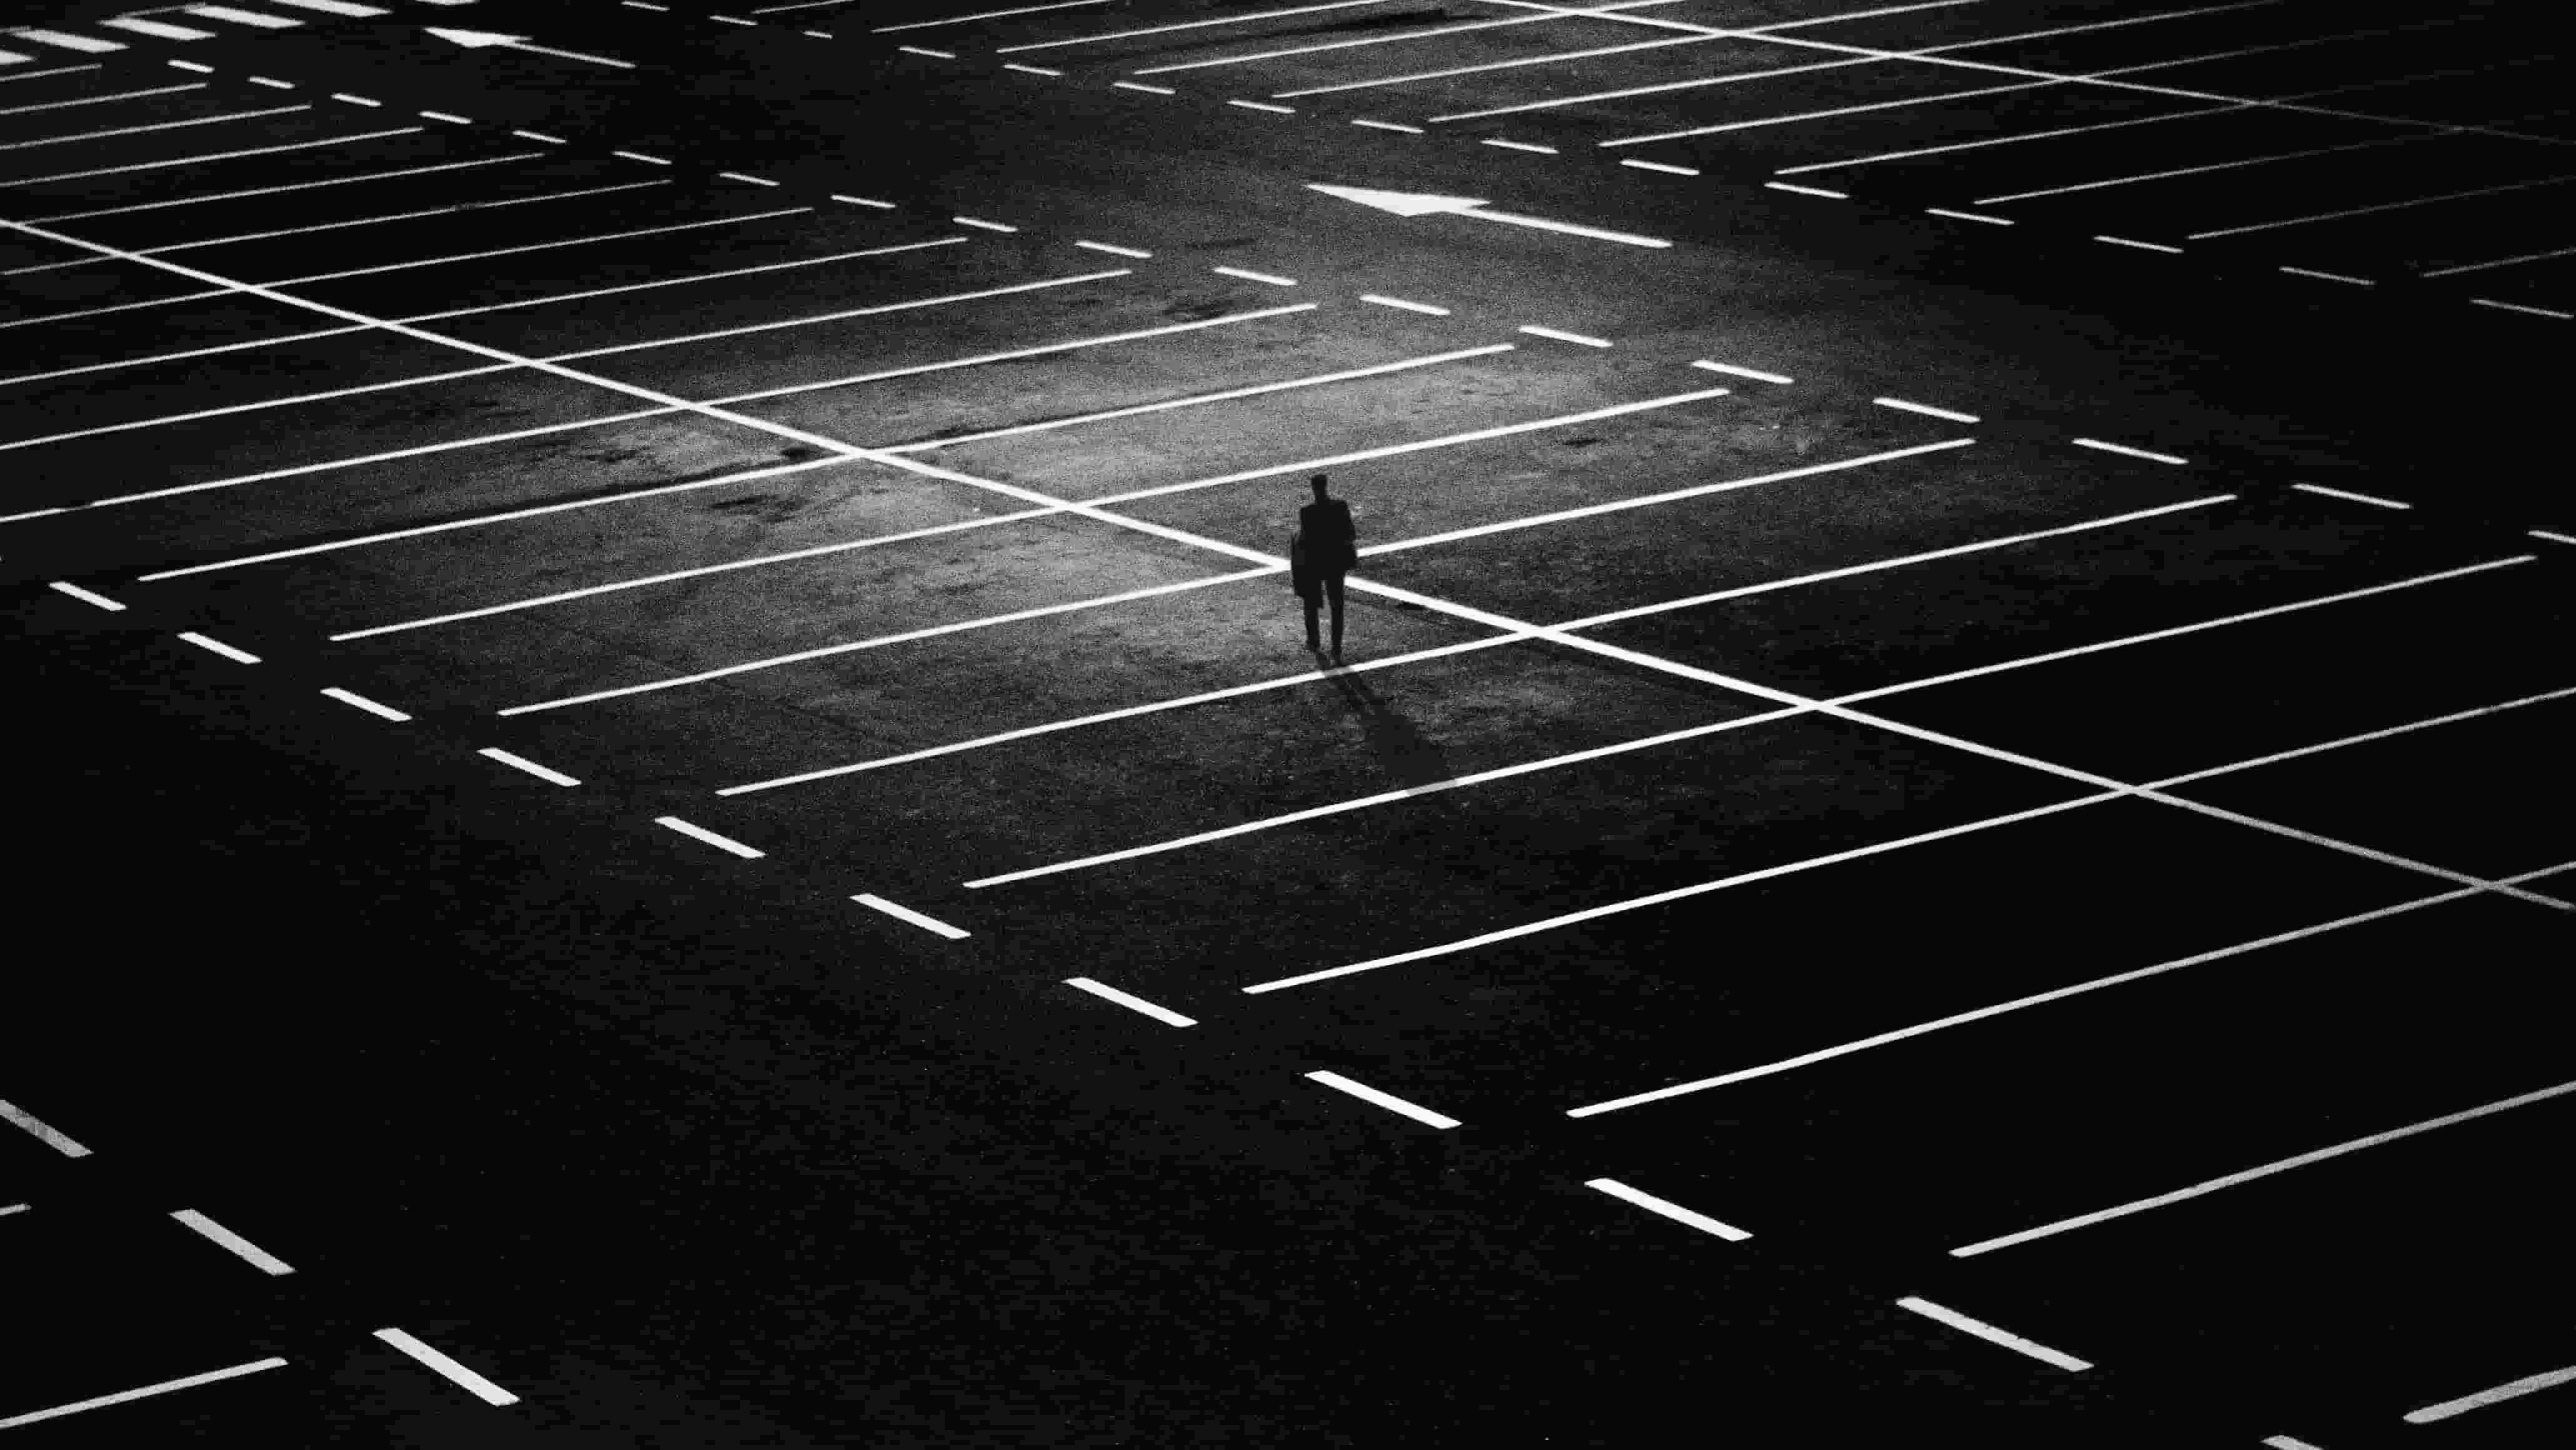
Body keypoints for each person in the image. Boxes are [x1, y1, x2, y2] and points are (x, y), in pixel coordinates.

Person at [1293, 473, 1356, 659]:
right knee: (1337, 606)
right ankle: (1336, 647)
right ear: (1326, 486)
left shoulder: (1307, 512)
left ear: (1313, 489)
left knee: (1311, 602)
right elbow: (1351, 534)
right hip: (1336, 562)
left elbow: (1304, 540)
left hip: (1315, 563)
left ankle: (1314, 640)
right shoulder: (1340, 507)